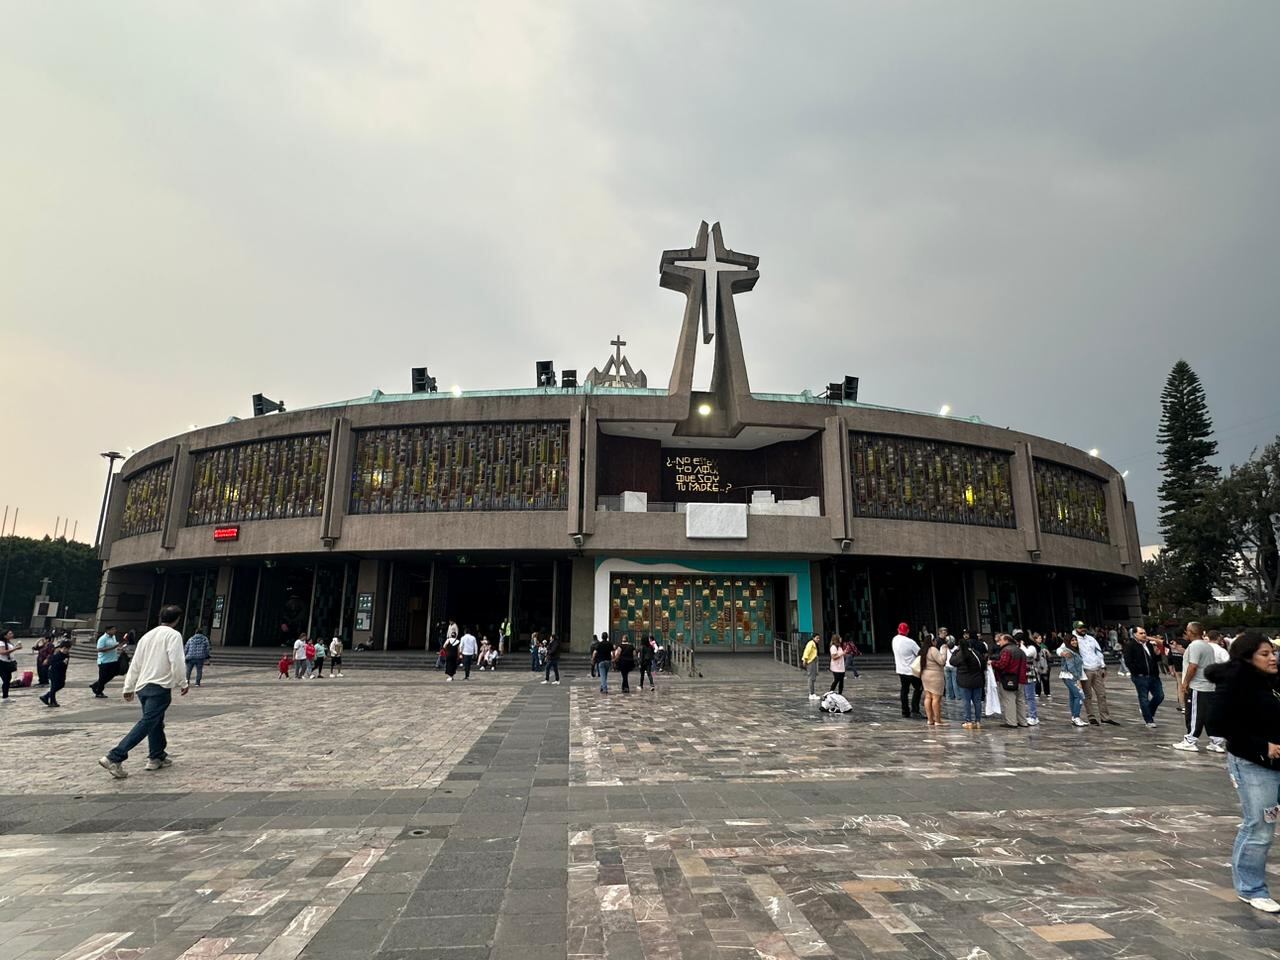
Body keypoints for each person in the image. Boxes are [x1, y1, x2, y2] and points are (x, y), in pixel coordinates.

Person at [1204, 632, 1280, 914]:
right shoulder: (1235, 683)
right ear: (1247, 657)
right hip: (1254, 765)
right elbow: (1217, 725)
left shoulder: (1272, 681)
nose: (1272, 657)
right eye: (1265, 653)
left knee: (1263, 824)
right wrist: (1262, 746)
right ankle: (1251, 888)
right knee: (1260, 826)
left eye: (1273, 651)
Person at [98, 605, 189, 779]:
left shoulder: (147, 636)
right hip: (159, 686)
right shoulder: (173, 635)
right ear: (177, 619)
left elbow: (136, 663)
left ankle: (157, 756)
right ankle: (115, 756)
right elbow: (176, 660)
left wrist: (129, 686)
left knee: (155, 720)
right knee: (148, 722)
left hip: (142, 687)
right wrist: (182, 682)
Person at [1174, 621, 1227, 754]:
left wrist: (1185, 683)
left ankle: (1190, 740)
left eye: (1187, 631)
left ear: (1191, 632)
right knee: (1208, 715)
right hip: (1208, 686)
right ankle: (1216, 741)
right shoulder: (1207, 646)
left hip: (1198, 686)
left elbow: (1193, 666)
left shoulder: (1195, 646)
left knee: (1194, 714)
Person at [1074, 621, 1116, 726]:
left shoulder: (1091, 639)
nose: (1083, 629)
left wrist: (1103, 666)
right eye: (1080, 628)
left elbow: (1098, 652)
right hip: (1085, 670)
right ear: (1075, 629)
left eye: (1084, 627)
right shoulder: (1073, 639)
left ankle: (1105, 717)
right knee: (1087, 695)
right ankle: (1091, 717)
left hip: (1096, 669)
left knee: (1101, 694)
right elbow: (1062, 649)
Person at [1123, 626, 1165, 728]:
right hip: (1140, 676)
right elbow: (1128, 661)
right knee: (1143, 698)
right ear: (1134, 634)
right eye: (1141, 633)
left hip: (1153, 675)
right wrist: (1137, 671)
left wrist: (1157, 653)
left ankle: (1148, 711)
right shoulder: (1130, 645)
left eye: (1144, 633)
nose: (1144, 635)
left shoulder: (1149, 644)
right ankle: (1149, 720)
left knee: (1159, 695)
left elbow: (1155, 658)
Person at [991, 633, 1029, 728]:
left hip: (1008, 679)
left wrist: (992, 663)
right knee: (1020, 700)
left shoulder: (1006, 650)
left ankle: (1011, 722)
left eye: (1001, 640)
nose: (999, 642)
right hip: (1021, 679)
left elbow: (1002, 664)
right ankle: (1023, 721)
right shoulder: (1020, 651)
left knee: (1009, 700)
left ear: (1006, 640)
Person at [953, 635, 986, 730]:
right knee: (977, 701)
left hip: (964, 682)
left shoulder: (960, 654)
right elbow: (983, 664)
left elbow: (952, 662)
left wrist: (954, 653)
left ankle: (968, 721)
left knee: (966, 701)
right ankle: (978, 721)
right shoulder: (976, 653)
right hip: (977, 680)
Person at [891, 623, 922, 719]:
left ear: (898, 630)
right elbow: (919, 652)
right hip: (912, 670)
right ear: (907, 630)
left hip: (901, 670)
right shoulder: (910, 642)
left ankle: (905, 711)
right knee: (918, 688)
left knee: (904, 690)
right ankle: (915, 709)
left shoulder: (894, 639)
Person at [1056, 635, 1088, 727]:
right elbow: (1071, 667)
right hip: (1070, 676)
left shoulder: (1074, 651)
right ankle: (1076, 717)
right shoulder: (1068, 652)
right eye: (1072, 640)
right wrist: (1077, 680)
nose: (1074, 642)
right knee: (1079, 695)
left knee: (1073, 696)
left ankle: (1074, 717)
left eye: (1075, 640)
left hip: (1070, 676)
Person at [920, 633, 948, 726]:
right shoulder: (932, 649)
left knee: (928, 697)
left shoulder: (923, 650)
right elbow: (941, 661)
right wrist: (944, 651)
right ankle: (938, 720)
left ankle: (930, 719)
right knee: (936, 698)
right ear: (932, 641)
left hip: (925, 675)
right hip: (935, 676)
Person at [1016, 631, 1040, 726]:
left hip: (1029, 674)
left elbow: (1027, 654)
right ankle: (1029, 715)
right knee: (1024, 697)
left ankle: (1033, 716)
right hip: (1021, 674)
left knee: (1030, 697)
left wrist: (1022, 645)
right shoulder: (1020, 648)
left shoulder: (1031, 648)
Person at [40, 639, 72, 707]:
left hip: (61, 673)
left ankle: (46, 697)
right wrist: (62, 662)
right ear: (61, 648)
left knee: (61, 685)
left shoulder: (66, 655)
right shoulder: (57, 655)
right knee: (54, 687)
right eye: (65, 648)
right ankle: (52, 701)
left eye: (68, 649)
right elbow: (53, 664)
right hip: (54, 673)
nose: (66, 650)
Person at [0, 628, 22, 702]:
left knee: (7, 679)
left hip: (8, 662)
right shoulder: (1, 643)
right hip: (2, 663)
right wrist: (15, 648)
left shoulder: (8, 642)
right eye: (10, 634)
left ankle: (5, 696)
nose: (11, 635)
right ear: (5, 635)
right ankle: (5, 697)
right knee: (5, 680)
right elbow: (2, 652)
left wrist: (16, 647)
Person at [939, 628, 958, 701]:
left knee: (947, 683)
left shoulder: (942, 647)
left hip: (946, 666)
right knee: (955, 682)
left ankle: (949, 696)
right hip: (954, 666)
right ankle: (957, 696)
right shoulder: (956, 648)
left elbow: (941, 656)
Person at [802, 634, 820, 700]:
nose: (818, 639)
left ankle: (812, 693)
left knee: (813, 677)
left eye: (819, 638)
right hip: (810, 661)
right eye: (817, 638)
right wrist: (805, 659)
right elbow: (807, 651)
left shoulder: (814, 644)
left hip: (814, 661)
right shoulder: (811, 643)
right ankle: (811, 693)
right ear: (813, 638)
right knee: (811, 677)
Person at [1034, 633, 1052, 700]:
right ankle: (1037, 693)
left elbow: (1049, 655)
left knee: (1046, 679)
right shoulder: (1033, 647)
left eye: (1041, 638)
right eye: (1039, 638)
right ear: (1035, 639)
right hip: (1037, 665)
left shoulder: (1043, 646)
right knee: (1037, 680)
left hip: (1044, 665)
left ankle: (1047, 692)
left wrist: (1046, 651)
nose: (1040, 639)